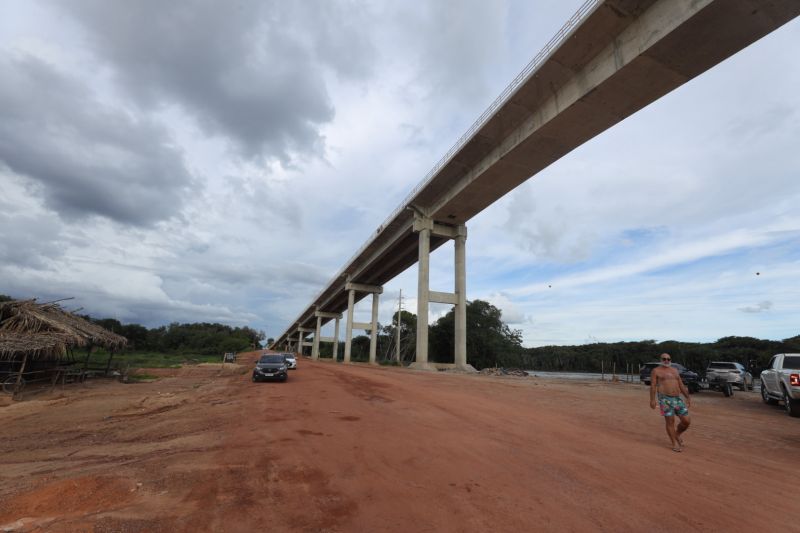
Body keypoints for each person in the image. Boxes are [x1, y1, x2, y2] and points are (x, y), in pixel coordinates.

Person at [649, 353, 691, 452]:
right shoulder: (656, 371)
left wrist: (687, 397)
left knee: (686, 421)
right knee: (670, 421)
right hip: (665, 399)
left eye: (668, 359)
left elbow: (681, 384)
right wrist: (652, 400)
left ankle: (677, 434)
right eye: (664, 359)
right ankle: (674, 443)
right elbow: (653, 386)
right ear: (660, 359)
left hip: (677, 398)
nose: (666, 360)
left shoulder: (675, 370)